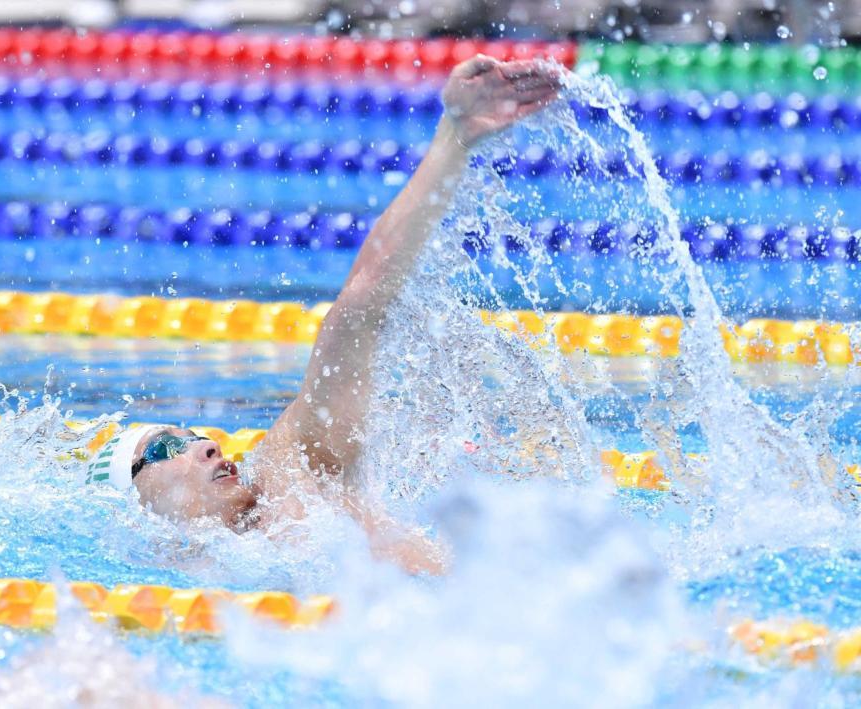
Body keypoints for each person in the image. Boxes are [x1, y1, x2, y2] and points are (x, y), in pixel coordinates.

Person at [86, 55, 562, 574]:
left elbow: (362, 301)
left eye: (192, 435)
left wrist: (455, 138)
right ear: (138, 506)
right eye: (165, 449)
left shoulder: (293, 471)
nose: (203, 444)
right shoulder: (190, 578)